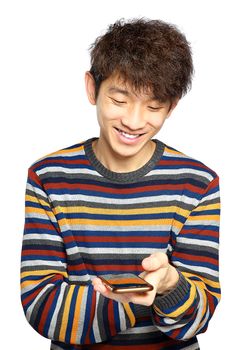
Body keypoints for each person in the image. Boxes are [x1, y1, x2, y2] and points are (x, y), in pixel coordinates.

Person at [20, 18, 221, 350]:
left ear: (171, 107)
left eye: (154, 105)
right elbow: (40, 305)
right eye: (120, 99)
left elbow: (197, 320)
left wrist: (171, 285)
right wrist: (130, 300)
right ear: (92, 88)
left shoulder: (197, 183)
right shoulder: (48, 177)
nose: (134, 120)